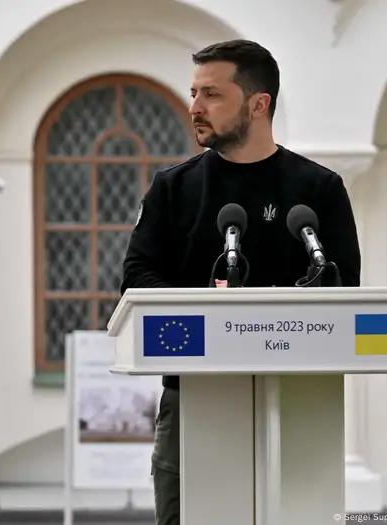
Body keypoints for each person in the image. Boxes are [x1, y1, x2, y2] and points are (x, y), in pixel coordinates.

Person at [120, 40, 361, 525]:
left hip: (300, 402)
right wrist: (213, 324)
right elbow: (137, 278)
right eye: (193, 93)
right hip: (194, 399)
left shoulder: (319, 189)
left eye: (211, 94)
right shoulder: (173, 189)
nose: (194, 108)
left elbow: (344, 288)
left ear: (258, 103)